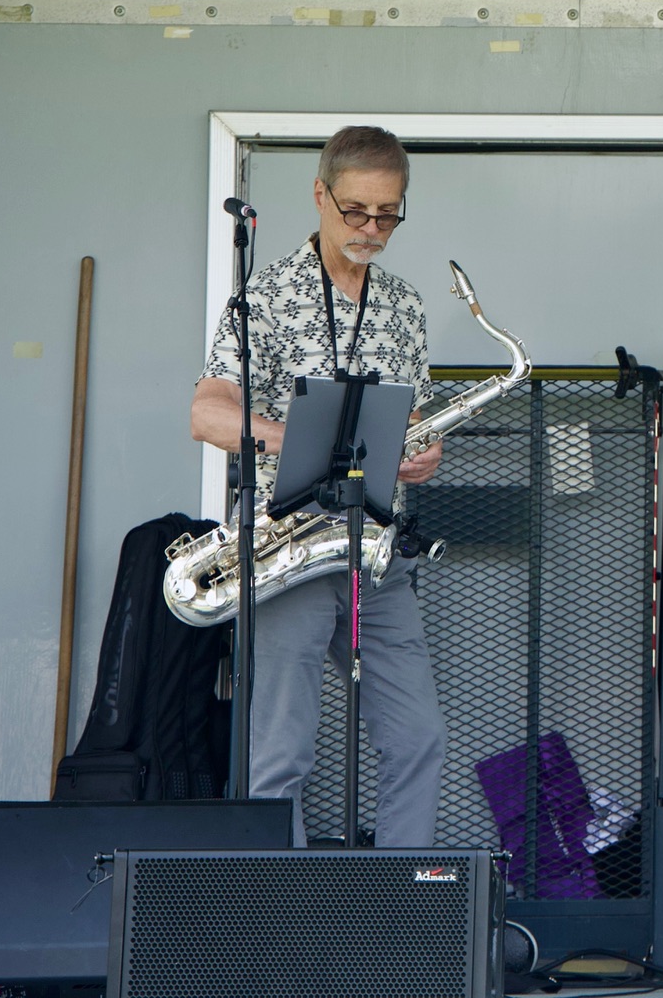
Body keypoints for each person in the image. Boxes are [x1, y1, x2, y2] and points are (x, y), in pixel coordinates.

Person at [191, 125, 448, 846]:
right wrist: (305, 440)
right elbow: (208, 413)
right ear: (319, 195)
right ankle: (280, 911)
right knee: (279, 753)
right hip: (290, 549)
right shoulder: (266, 295)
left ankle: (403, 905)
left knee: (418, 737)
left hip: (377, 556)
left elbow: (414, 417)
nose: (371, 229)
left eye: (388, 215)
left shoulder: (405, 304)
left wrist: (424, 449)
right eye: (356, 211)